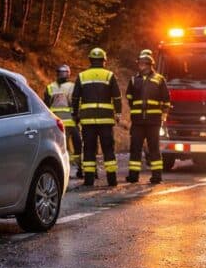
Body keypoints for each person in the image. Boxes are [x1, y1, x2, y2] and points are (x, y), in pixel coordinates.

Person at [72, 47, 121, 186]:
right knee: (108, 149)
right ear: (104, 61)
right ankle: (112, 180)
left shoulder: (82, 76)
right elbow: (117, 96)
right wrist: (118, 113)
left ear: (90, 60)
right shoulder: (109, 75)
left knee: (88, 149)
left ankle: (88, 180)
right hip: (106, 120)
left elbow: (75, 98)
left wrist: (75, 114)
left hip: (87, 120)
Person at [125, 49, 171, 184]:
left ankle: (157, 177)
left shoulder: (159, 79)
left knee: (154, 149)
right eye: (139, 64)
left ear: (149, 65)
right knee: (135, 149)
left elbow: (166, 100)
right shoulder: (134, 80)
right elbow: (129, 97)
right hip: (138, 121)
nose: (140, 66)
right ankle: (133, 176)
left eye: (143, 64)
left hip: (153, 122)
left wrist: (163, 115)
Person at [44, 65, 83, 178]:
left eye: (63, 73)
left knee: (61, 147)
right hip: (70, 122)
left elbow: (45, 106)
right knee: (77, 146)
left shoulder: (50, 87)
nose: (62, 75)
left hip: (56, 124)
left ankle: (64, 170)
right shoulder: (72, 87)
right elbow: (76, 103)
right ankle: (80, 169)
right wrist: (78, 117)